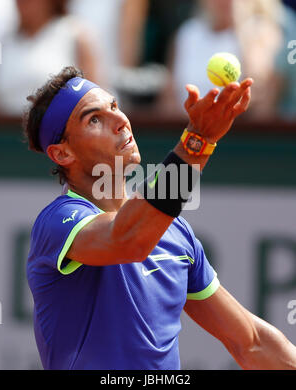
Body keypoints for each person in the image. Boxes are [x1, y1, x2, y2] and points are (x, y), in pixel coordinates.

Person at [24, 65, 296, 370]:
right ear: (62, 154)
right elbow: (126, 240)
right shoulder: (57, 222)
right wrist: (198, 140)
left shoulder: (174, 232)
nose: (120, 121)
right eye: (95, 119)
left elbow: (251, 342)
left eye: (114, 106)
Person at [0, 0, 103, 124]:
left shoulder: (76, 34)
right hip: (6, 138)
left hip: (60, 135)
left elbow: (94, 100)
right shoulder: (3, 42)